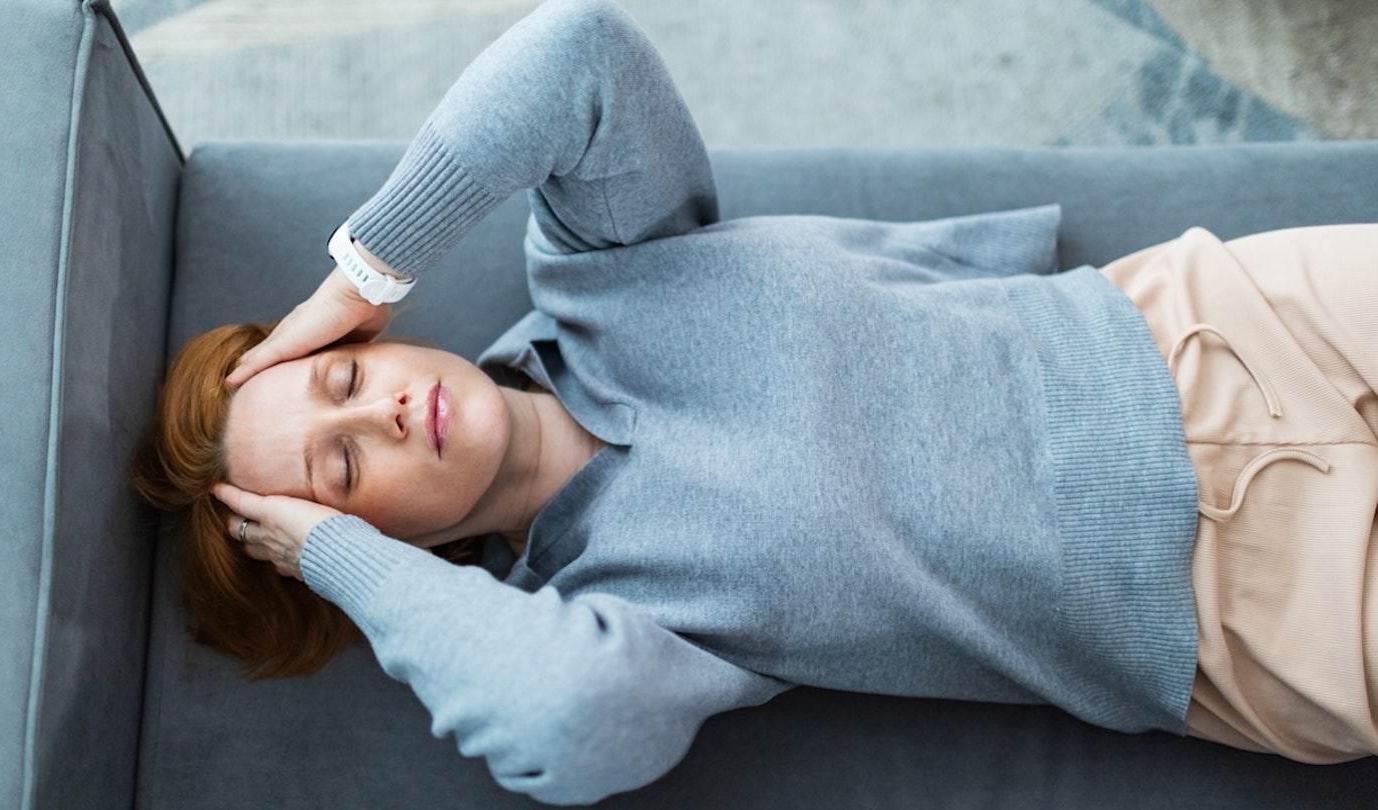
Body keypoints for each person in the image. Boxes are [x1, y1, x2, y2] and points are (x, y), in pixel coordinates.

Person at [131, 0, 1378, 803]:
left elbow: (578, 53)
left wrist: (358, 273)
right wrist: (337, 560)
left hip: (1217, 327)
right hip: (1247, 611)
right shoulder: (623, 619)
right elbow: (571, 725)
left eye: (348, 381)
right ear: (388, 541)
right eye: (345, 471)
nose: (387, 415)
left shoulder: (608, 268)